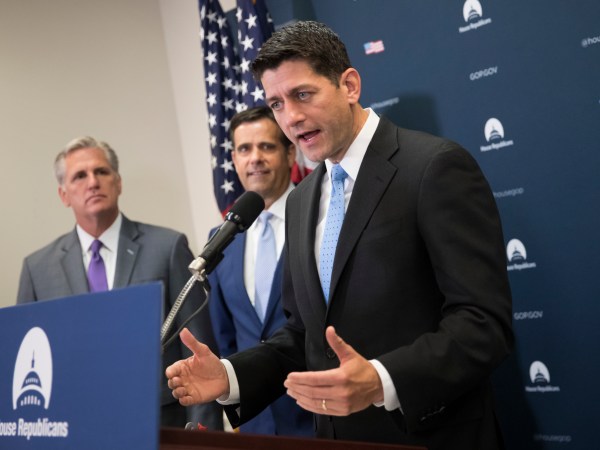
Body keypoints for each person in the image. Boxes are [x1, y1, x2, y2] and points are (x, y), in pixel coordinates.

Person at [166, 21, 513, 450]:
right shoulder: (302, 199)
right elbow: (302, 336)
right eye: (276, 103)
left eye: (303, 95)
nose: (290, 117)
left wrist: (382, 379)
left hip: (431, 436)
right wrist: (231, 376)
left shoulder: (433, 167)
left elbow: (483, 324)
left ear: (349, 85)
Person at [17, 136, 222, 430]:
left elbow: (198, 349)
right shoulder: (38, 268)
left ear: (118, 182)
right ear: (64, 195)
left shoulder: (167, 247)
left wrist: (206, 438)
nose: (93, 182)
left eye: (101, 172)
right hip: (75, 427)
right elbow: (29, 360)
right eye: (80, 176)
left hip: (163, 424)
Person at [206, 106, 313, 436]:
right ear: (234, 160)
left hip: (318, 417)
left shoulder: (318, 218)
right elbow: (225, 339)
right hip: (256, 426)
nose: (255, 158)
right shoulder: (221, 238)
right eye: (244, 149)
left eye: (266, 146)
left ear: (290, 152)